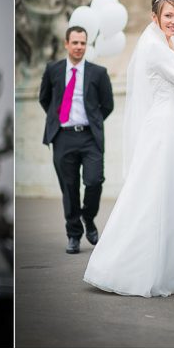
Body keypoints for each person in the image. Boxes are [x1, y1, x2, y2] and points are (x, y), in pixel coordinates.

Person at [83, 0, 174, 297]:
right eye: (168, 16)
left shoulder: (169, 44)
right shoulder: (153, 46)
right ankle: (129, 269)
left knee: (172, 196)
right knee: (154, 195)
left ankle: (167, 272)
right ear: (154, 18)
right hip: (162, 130)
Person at [39, 26, 115, 254]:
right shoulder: (52, 70)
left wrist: (93, 122)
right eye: (75, 43)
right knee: (69, 189)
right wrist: (57, 120)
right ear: (66, 44)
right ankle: (73, 235)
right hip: (63, 137)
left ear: (87, 45)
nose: (79, 47)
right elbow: (45, 99)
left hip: (89, 137)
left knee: (94, 181)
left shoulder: (98, 73)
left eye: (83, 43)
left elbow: (107, 104)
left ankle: (88, 218)